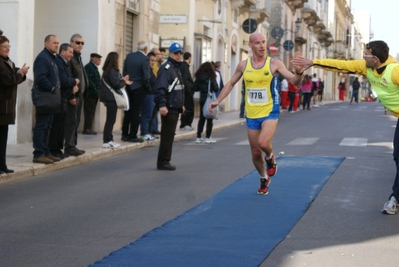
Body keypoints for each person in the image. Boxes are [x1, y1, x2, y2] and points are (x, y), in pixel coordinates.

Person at [292, 40, 399, 215]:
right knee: (397, 156)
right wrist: (313, 62)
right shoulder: (367, 67)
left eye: (366, 55)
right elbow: (341, 65)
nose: (362, 57)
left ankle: (395, 198)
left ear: (376, 59)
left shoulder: (394, 71)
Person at [209, 32, 303, 195]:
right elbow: (231, 83)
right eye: (257, 43)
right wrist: (218, 100)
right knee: (255, 152)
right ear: (250, 46)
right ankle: (263, 177)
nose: (261, 46)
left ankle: (271, 159)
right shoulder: (243, 65)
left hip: (270, 110)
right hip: (251, 113)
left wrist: (299, 73)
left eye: (263, 42)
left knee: (264, 143)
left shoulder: (274, 64)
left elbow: (294, 81)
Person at [0, 29, 29, 174]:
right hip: (1, 106)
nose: (8, 48)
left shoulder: (7, 61)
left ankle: (2, 165)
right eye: (4, 46)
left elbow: (14, 73)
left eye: (8, 46)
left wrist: (21, 72)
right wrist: (18, 75)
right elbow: (8, 79)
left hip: (6, 107)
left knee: (3, 138)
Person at [154, 42, 185, 171]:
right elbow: (161, 88)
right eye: (176, 53)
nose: (178, 55)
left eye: (180, 53)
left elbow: (177, 89)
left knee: (170, 135)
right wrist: (161, 105)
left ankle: (166, 160)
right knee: (167, 136)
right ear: (170, 54)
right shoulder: (166, 68)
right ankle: (163, 162)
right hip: (168, 107)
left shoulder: (175, 68)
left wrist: (180, 105)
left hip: (174, 107)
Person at [32, 34, 61, 164]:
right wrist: (51, 88)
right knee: (42, 125)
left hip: (51, 98)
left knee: (48, 125)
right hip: (45, 97)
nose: (57, 45)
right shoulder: (43, 58)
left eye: (57, 43)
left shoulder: (51, 58)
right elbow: (40, 78)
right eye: (54, 43)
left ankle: (46, 151)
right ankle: (38, 153)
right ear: (46, 44)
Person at [49, 43, 78, 160]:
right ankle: (54, 149)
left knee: (61, 126)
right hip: (59, 99)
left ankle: (58, 150)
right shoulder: (59, 62)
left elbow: (68, 78)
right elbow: (64, 81)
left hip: (64, 98)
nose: (71, 55)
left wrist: (73, 84)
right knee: (57, 126)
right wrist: (75, 82)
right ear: (63, 52)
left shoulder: (65, 63)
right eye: (70, 52)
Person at [100, 52, 132, 149]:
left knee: (111, 119)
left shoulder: (107, 70)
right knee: (110, 120)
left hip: (108, 97)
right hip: (111, 98)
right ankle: (107, 140)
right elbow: (116, 84)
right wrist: (124, 81)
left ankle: (109, 139)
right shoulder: (112, 70)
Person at [122, 41, 150, 143]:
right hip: (139, 88)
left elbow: (124, 71)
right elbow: (146, 77)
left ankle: (124, 134)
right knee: (136, 112)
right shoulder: (145, 59)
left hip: (129, 86)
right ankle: (133, 135)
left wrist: (127, 82)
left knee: (128, 111)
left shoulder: (129, 56)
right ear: (145, 49)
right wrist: (146, 88)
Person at [65, 33, 88, 156]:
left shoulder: (78, 58)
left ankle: (73, 144)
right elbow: (70, 77)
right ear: (71, 43)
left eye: (82, 43)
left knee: (76, 120)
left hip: (81, 95)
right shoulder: (71, 58)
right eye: (78, 42)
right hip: (74, 96)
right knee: (71, 121)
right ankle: (69, 146)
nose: (80, 45)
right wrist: (71, 96)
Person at [194, 62, 219, 144]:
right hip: (209, 100)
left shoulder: (199, 77)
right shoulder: (211, 77)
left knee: (202, 118)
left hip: (202, 99)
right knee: (209, 118)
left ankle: (198, 136)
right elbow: (216, 88)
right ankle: (208, 137)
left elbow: (195, 88)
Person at [83, 53, 102, 134]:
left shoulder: (94, 67)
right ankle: (87, 128)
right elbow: (88, 80)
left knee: (92, 111)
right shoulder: (89, 67)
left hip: (94, 94)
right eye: (98, 59)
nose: (100, 61)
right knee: (89, 111)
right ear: (93, 59)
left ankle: (89, 128)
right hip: (90, 94)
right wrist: (94, 88)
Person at [139, 52, 156, 141]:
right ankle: (144, 133)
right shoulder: (147, 70)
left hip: (152, 94)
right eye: (151, 60)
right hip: (148, 94)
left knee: (149, 115)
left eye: (154, 61)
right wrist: (149, 88)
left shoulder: (150, 69)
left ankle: (147, 132)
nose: (153, 62)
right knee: (146, 115)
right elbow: (147, 81)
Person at [179, 52, 195, 131]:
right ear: (189, 57)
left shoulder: (184, 66)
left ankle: (185, 123)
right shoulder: (184, 67)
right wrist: (189, 90)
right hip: (187, 92)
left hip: (186, 91)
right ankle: (185, 124)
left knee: (187, 107)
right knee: (188, 107)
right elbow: (185, 80)